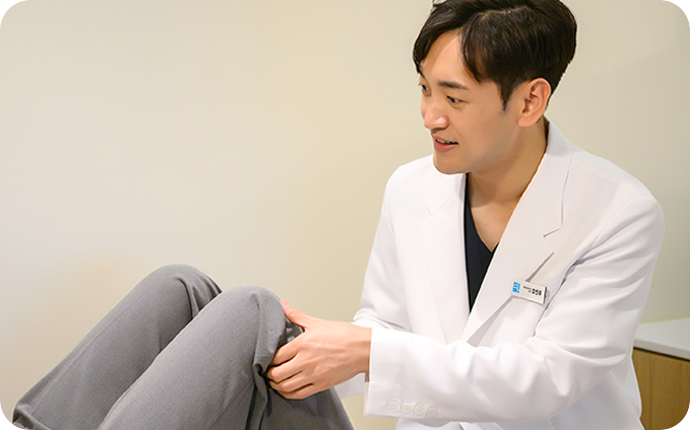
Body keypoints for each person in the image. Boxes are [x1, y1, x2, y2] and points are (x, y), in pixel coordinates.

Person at [8, 1, 664, 430]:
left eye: (454, 98)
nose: (429, 115)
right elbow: (385, 326)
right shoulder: (412, 188)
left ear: (529, 101)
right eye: (424, 89)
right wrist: (315, 354)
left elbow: (548, 380)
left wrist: (366, 351)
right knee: (180, 289)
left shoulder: (617, 213)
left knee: (250, 311)